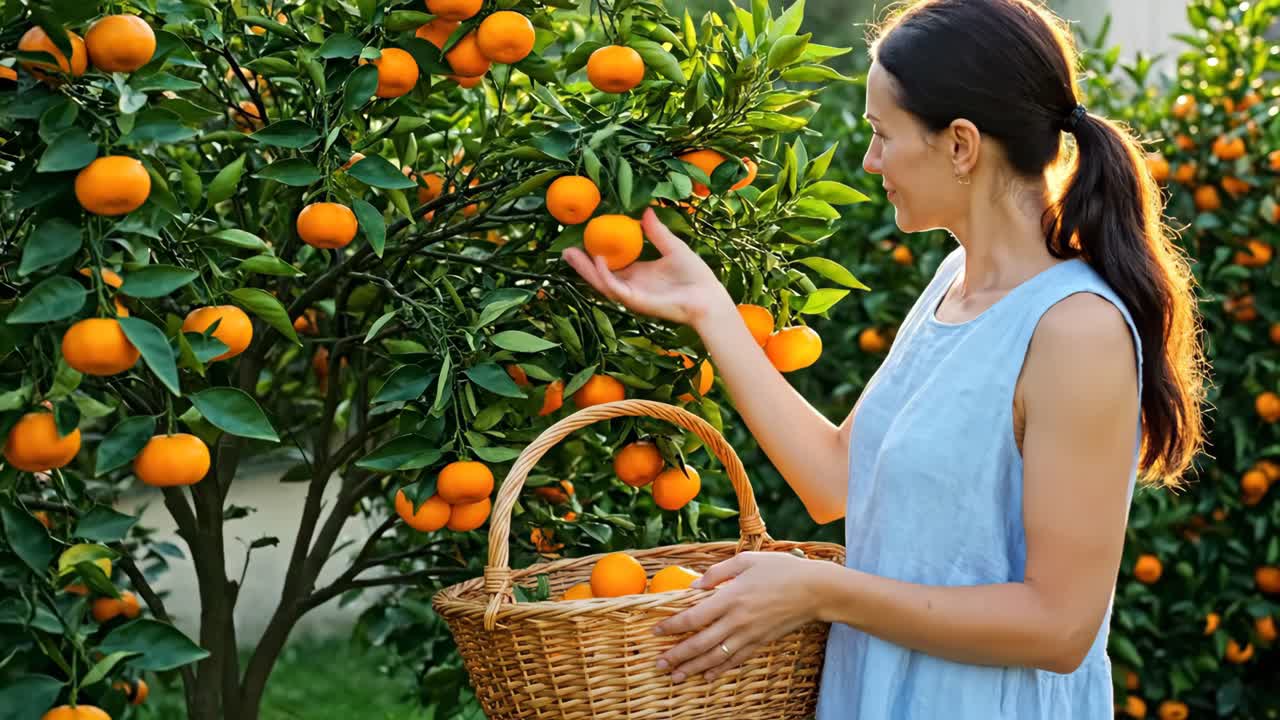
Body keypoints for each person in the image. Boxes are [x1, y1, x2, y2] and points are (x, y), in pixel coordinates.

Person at [562, 0, 1207, 716]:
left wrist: (822, 592)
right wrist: (707, 309)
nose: (871, 161)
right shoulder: (952, 285)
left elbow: (1060, 627)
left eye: (881, 134)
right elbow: (835, 480)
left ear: (960, 144)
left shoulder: (1075, 330)